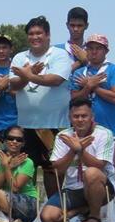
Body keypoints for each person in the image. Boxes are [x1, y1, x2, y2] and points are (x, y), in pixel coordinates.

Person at [9, 16, 73, 197]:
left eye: (39, 33)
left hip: (54, 125)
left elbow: (56, 79)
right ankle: (26, 208)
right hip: (26, 126)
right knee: (25, 170)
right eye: (31, 34)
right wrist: (27, 75)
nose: (35, 37)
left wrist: (28, 75)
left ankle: (54, 207)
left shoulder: (60, 55)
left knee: (52, 170)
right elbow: (13, 85)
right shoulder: (20, 57)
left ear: (48, 35)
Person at [70, 34, 115, 221]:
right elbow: (74, 99)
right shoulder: (79, 73)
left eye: (98, 48)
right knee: (83, 171)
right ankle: (87, 210)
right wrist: (88, 87)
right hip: (82, 132)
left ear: (106, 51)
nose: (94, 52)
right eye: (90, 48)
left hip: (110, 131)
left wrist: (93, 87)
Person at [41, 98, 115, 222]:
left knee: (91, 172)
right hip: (73, 189)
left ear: (92, 117)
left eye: (84, 116)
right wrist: (73, 150)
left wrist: (81, 151)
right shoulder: (62, 136)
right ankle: (82, 209)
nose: (80, 120)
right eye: (76, 116)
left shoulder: (104, 134)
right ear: (70, 118)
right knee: (48, 218)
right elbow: (58, 170)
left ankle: (94, 217)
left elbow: (99, 166)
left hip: (102, 189)